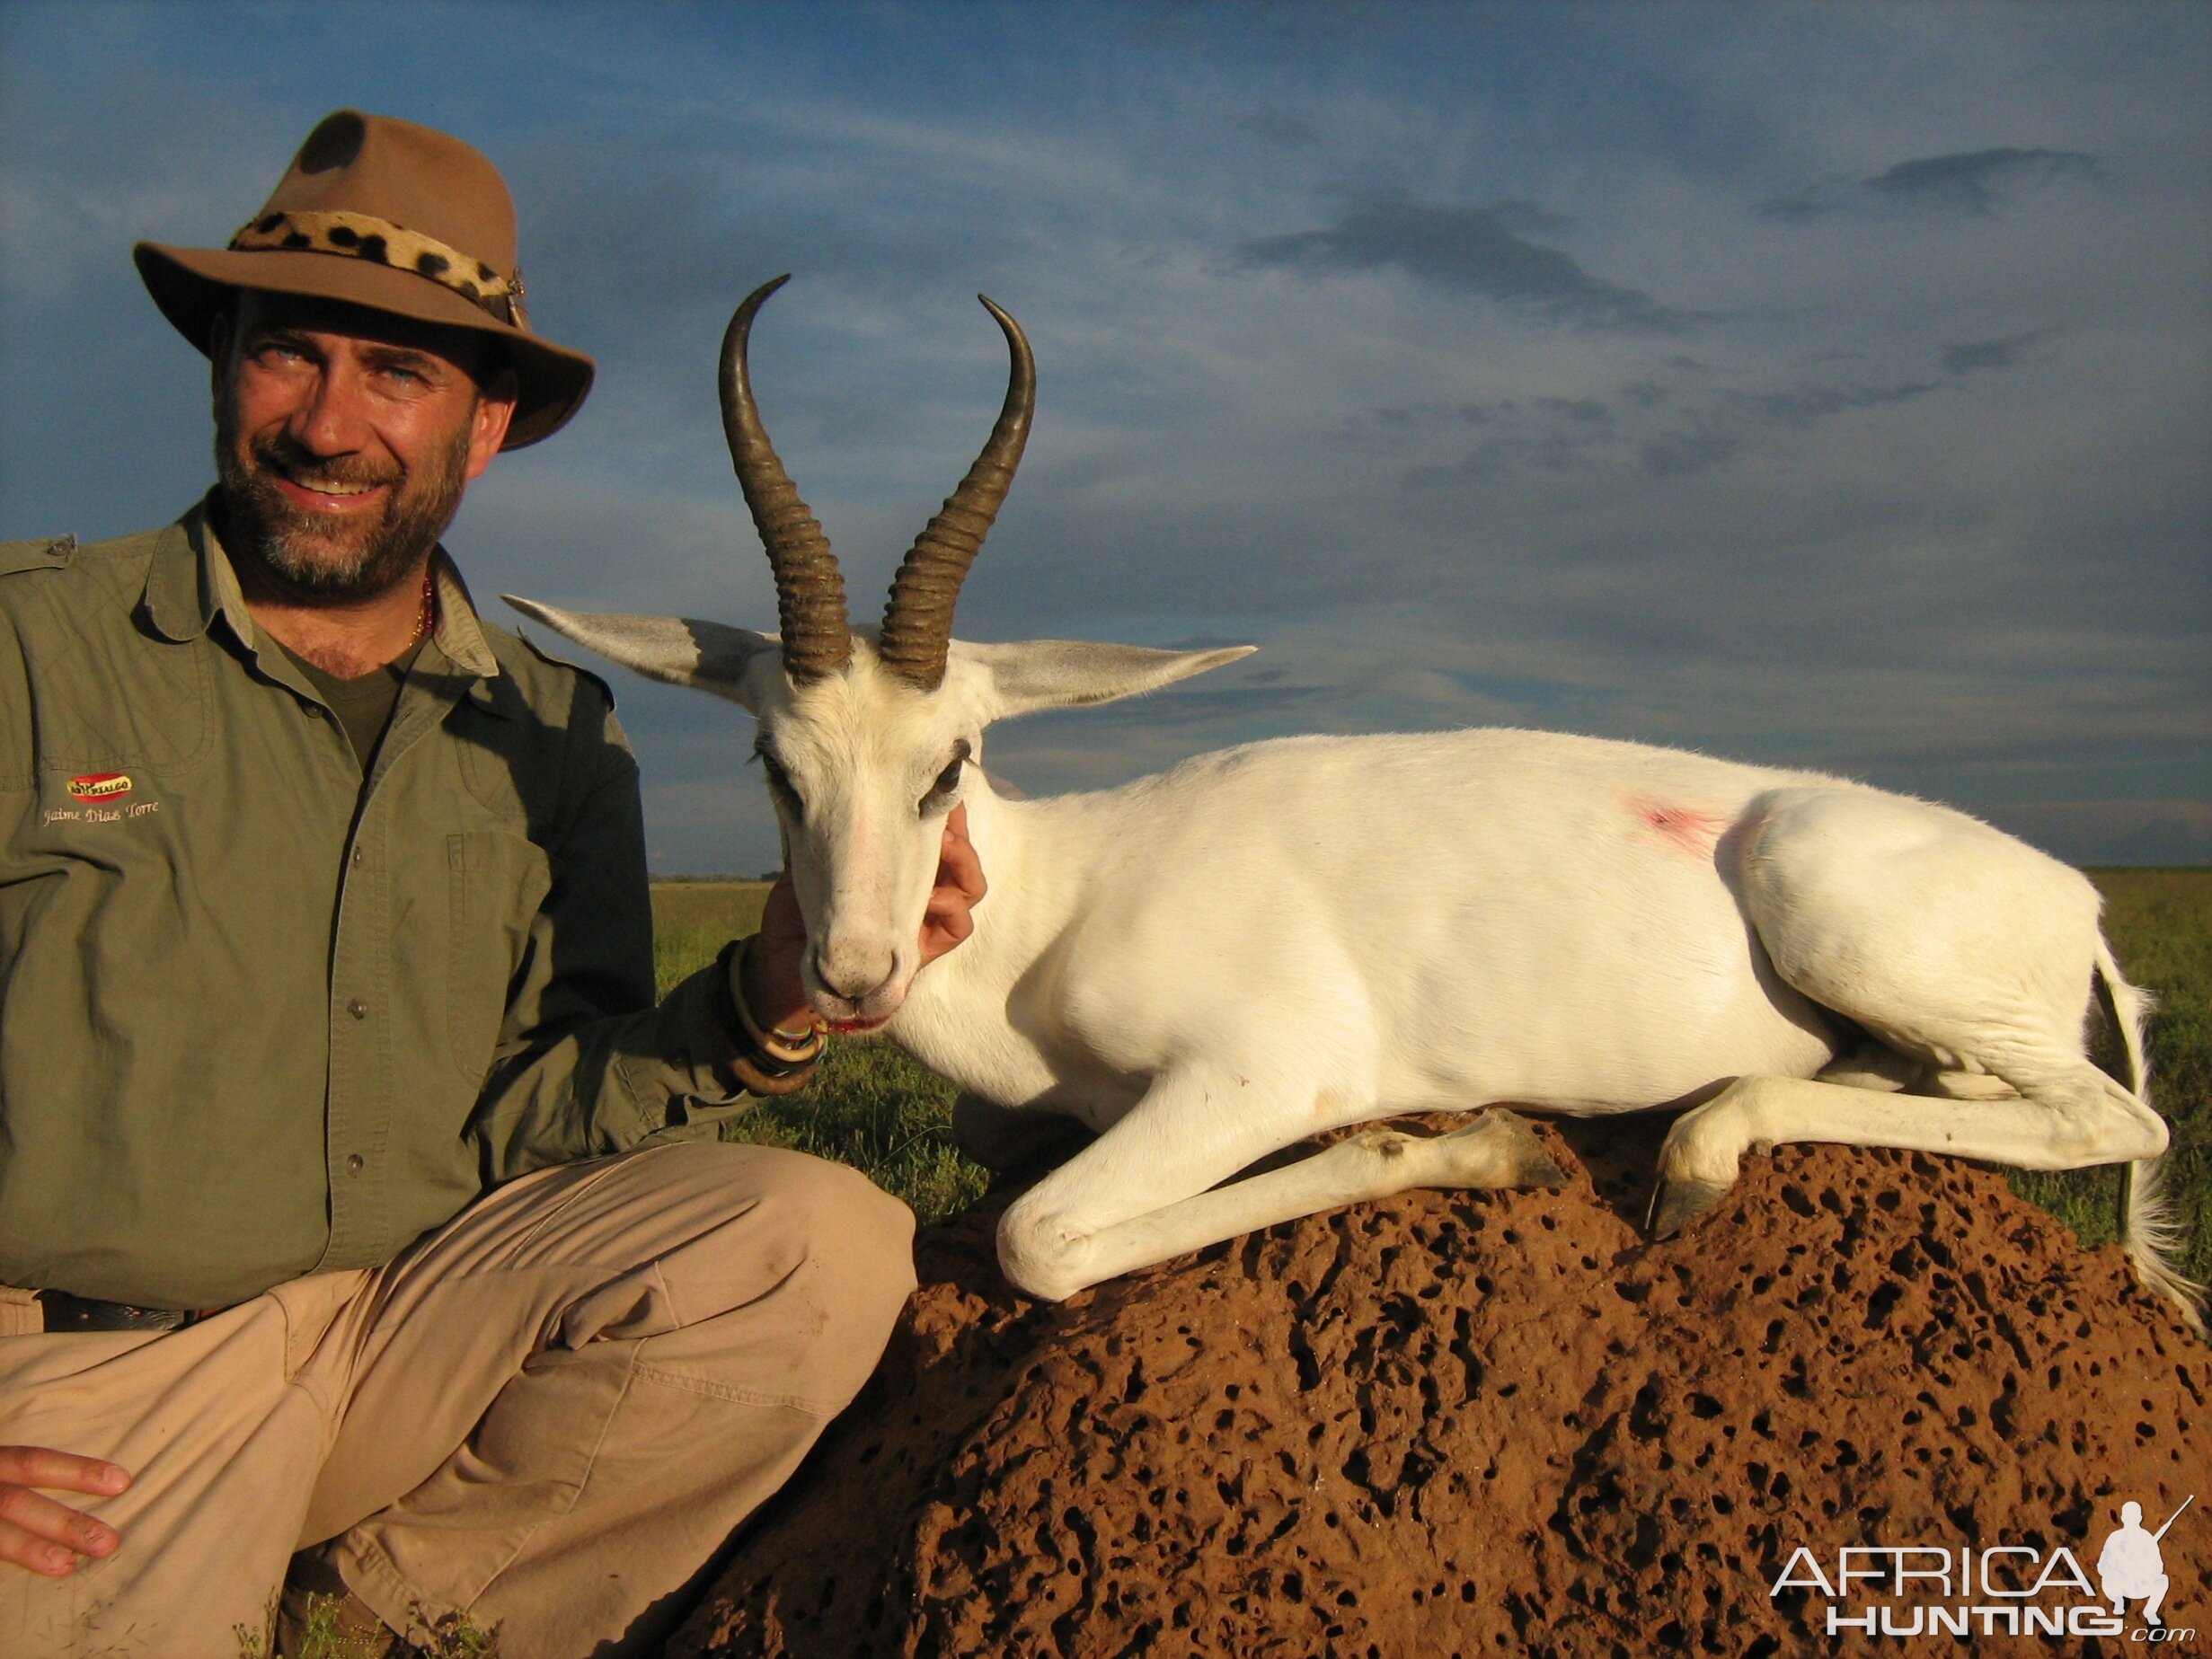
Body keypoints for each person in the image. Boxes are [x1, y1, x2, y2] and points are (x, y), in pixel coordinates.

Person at [0, 110, 983, 1657]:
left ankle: (408, 1609)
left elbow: (536, 1119)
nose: (329, 424)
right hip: (101, 1388)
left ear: (486, 424)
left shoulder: (554, 729)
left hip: (410, 1324)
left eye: (398, 373)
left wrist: (765, 995)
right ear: (220, 364)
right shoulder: (27, 649)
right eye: (287, 354)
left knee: (821, 1241)